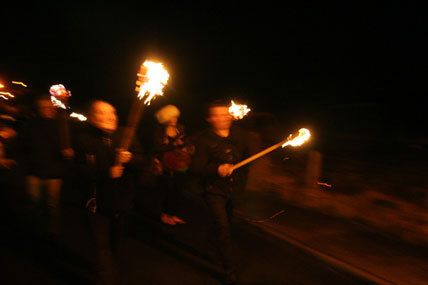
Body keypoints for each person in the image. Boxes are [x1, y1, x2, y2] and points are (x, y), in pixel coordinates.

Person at [74, 100, 144, 285]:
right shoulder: (83, 139)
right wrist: (106, 173)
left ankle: (110, 265)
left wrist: (130, 158)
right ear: (92, 118)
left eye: (112, 112)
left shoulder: (126, 134)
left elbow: (143, 161)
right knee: (101, 246)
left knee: (115, 243)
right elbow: (79, 170)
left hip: (121, 202)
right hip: (96, 201)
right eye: (103, 113)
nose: (110, 117)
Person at [190, 99, 251, 284]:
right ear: (210, 119)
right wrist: (216, 169)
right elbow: (195, 168)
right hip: (213, 191)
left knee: (227, 225)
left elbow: (247, 163)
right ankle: (227, 268)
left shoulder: (240, 136)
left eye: (226, 114)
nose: (224, 118)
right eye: (218, 115)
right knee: (223, 226)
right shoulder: (203, 140)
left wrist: (241, 188)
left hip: (234, 190)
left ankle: (211, 245)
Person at [19, 94, 72, 239]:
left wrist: (68, 153)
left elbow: (70, 148)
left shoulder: (62, 126)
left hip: (54, 173)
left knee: (52, 204)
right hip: (33, 171)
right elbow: (23, 145)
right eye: (43, 107)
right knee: (34, 201)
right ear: (38, 109)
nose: (48, 110)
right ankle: (33, 227)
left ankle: (52, 229)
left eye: (49, 107)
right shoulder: (30, 125)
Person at [152, 104, 193, 226]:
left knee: (178, 191)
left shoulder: (180, 128)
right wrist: (173, 144)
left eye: (176, 117)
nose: (175, 119)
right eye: (172, 117)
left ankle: (172, 214)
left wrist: (184, 143)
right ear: (166, 118)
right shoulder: (159, 130)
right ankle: (165, 214)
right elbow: (158, 148)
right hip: (166, 166)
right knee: (168, 190)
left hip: (181, 164)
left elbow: (185, 143)